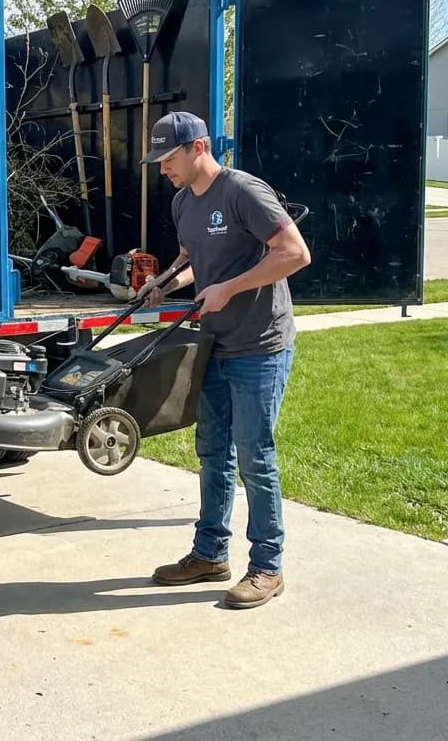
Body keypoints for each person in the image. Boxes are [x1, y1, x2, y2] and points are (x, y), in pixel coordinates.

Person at [142, 111, 311, 609]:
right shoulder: (181, 202)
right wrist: (165, 284)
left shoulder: (244, 192)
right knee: (212, 451)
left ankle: (267, 567)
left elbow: (294, 253)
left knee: (255, 456)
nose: (162, 169)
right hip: (214, 343)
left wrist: (230, 289)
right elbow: (194, 263)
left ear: (197, 148)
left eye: (168, 158)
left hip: (261, 345)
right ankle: (210, 554)